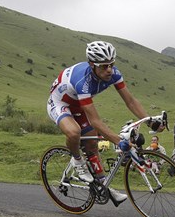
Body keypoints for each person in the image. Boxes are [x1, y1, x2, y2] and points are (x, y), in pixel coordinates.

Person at [47, 41, 162, 203]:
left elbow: (130, 101)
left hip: (79, 103)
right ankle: (78, 161)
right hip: (60, 103)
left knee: (92, 144)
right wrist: (117, 140)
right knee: (74, 132)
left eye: (111, 64)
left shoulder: (113, 73)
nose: (109, 69)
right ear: (92, 65)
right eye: (103, 66)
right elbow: (95, 120)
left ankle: (103, 185)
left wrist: (149, 120)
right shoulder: (83, 81)